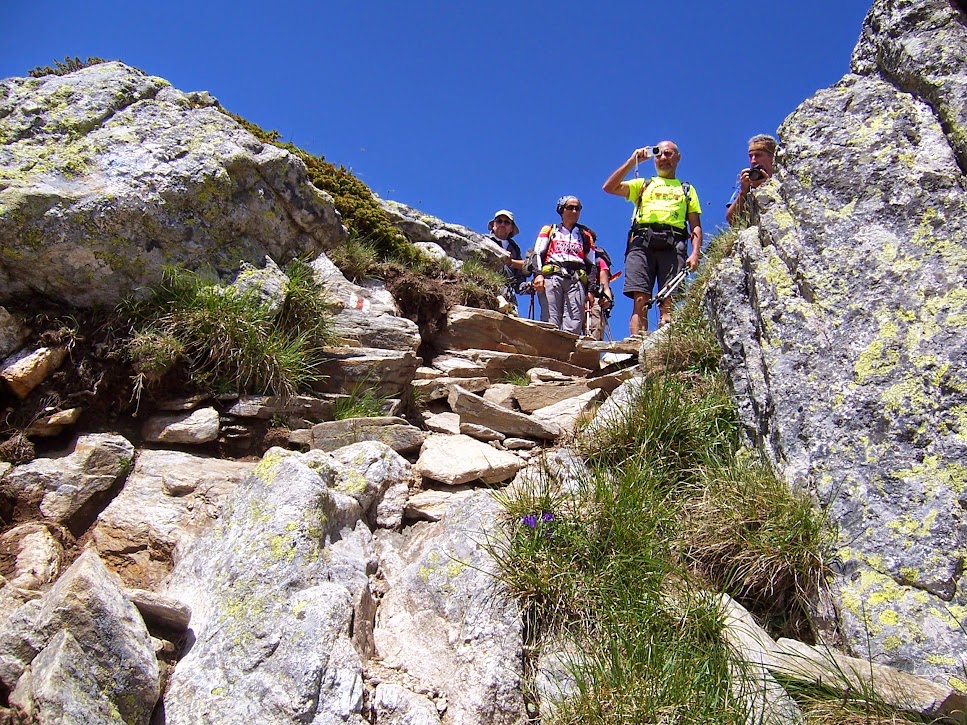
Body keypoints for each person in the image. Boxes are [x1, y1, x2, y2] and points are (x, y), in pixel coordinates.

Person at [602, 141, 702, 335]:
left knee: (669, 300)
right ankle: (637, 345)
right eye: (658, 154)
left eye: (668, 154)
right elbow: (609, 187)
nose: (663, 158)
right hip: (642, 243)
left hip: (674, 244)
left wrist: (695, 253)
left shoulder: (687, 189)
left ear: (678, 157)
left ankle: (664, 345)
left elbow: (695, 225)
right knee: (640, 299)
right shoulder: (644, 184)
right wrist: (632, 161)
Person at [530, 196, 598, 335]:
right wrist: (538, 275)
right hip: (552, 277)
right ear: (561, 210)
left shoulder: (586, 235)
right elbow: (537, 253)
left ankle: (568, 349)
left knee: (574, 323)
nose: (574, 211)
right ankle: (548, 347)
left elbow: (591, 264)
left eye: (577, 208)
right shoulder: (549, 230)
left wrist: (591, 290)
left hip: (576, 280)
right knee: (550, 320)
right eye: (570, 207)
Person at [726, 134, 778, 226]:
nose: (753, 161)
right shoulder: (746, 184)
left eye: (758, 155)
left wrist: (768, 185)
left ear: (773, 156)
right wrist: (743, 191)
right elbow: (731, 220)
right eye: (750, 156)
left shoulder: (783, 178)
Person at [487, 209, 529, 314]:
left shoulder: (515, 249)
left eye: (506, 222)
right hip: (488, 288)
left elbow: (519, 277)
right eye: (499, 221)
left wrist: (525, 287)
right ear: (493, 225)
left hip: (509, 293)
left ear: (511, 228)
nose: (502, 224)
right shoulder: (484, 241)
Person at [585, 245, 614, 340]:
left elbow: (605, 286)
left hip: (595, 299)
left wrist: (607, 299)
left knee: (596, 327)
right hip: (578, 296)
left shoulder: (599, 260)